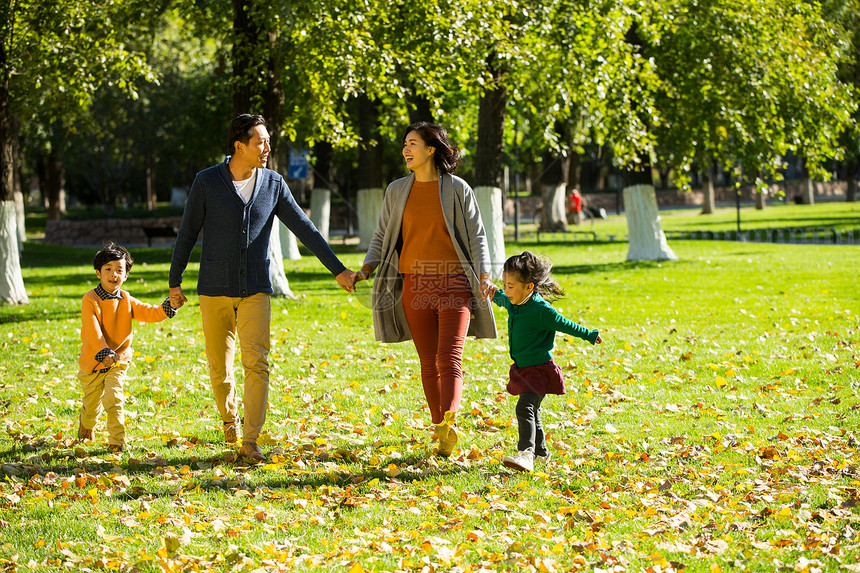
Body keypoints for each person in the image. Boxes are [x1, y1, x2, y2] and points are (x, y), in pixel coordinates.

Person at [168, 114, 356, 464]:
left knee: (257, 363)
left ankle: (250, 440)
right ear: (239, 146)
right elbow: (188, 233)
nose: (267, 147)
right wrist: (174, 281)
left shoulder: (273, 183)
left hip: (255, 287)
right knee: (220, 368)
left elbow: (305, 227)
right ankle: (229, 422)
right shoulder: (207, 182)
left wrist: (338, 269)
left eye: (267, 141)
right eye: (260, 141)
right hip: (214, 288)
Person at [353, 122, 496, 457]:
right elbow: (381, 235)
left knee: (450, 357)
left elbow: (477, 236)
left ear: (431, 149)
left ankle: (450, 421)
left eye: (412, 143)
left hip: (454, 281)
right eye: (405, 144)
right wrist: (365, 268)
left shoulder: (458, 189)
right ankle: (440, 431)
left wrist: (485, 275)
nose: (406, 150)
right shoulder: (396, 190)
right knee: (428, 360)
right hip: (414, 283)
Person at [486, 251, 602, 472]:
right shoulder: (514, 301)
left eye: (511, 286)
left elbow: (566, 324)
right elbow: (503, 300)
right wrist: (495, 294)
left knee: (525, 407)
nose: (507, 290)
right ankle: (541, 453)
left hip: (540, 369)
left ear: (529, 287)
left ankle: (526, 454)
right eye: (505, 284)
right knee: (533, 410)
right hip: (523, 369)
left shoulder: (541, 310)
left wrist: (588, 334)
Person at [77, 241, 180, 453]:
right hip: (93, 360)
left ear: (125, 275)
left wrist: (168, 307)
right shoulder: (90, 300)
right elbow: (93, 330)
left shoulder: (126, 299)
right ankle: (86, 425)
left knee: (113, 398)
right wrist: (103, 351)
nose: (113, 274)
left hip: (118, 360)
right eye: (108, 269)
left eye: (119, 270)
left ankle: (117, 441)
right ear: (98, 273)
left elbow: (150, 312)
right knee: (92, 406)